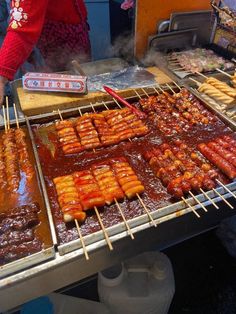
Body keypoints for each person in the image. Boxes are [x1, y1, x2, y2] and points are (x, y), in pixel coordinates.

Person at [0, 0, 91, 105]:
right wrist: (2, 74)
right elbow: (22, 29)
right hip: (56, 42)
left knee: (83, 93)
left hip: (75, 31)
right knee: (65, 100)